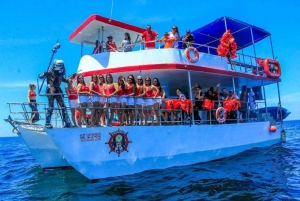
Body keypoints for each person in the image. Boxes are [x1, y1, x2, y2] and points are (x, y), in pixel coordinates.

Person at [38, 59, 71, 128]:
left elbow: (63, 79)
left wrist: (69, 80)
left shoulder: (60, 73)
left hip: (58, 90)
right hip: (51, 89)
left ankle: (67, 121)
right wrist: (45, 73)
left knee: (63, 106)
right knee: (51, 106)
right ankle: (47, 122)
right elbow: (40, 76)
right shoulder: (50, 71)